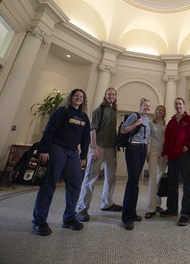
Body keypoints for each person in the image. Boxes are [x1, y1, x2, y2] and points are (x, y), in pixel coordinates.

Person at [31, 88, 90, 236]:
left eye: (81, 96)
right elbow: (49, 130)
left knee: (76, 183)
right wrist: (44, 149)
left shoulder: (84, 117)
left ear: (84, 100)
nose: (78, 98)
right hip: (57, 149)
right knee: (49, 183)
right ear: (71, 98)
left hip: (72, 153)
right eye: (76, 95)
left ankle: (69, 218)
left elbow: (85, 138)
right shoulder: (62, 111)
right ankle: (39, 221)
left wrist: (83, 155)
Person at [76, 88, 122, 223]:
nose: (111, 96)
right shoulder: (99, 110)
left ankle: (107, 203)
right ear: (105, 96)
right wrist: (94, 147)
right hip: (99, 148)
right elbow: (93, 129)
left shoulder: (114, 111)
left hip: (111, 149)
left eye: (113, 94)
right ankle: (81, 209)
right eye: (109, 94)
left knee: (111, 177)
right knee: (91, 177)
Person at [161, 97, 190, 226]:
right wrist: (165, 153)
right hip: (171, 156)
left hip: (184, 155)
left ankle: (185, 214)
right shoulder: (171, 122)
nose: (178, 106)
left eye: (180, 103)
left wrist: (187, 146)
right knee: (172, 183)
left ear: (184, 105)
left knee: (187, 184)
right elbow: (167, 140)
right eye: (176, 104)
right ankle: (171, 208)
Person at [121, 98, 151, 230]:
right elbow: (123, 130)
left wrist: (147, 152)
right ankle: (127, 217)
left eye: (149, 106)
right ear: (140, 106)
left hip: (142, 149)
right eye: (145, 105)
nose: (147, 108)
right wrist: (136, 123)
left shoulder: (148, 120)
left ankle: (132, 214)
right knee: (132, 182)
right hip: (133, 148)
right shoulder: (134, 115)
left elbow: (147, 138)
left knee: (136, 182)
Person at [145, 105, 166, 219]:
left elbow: (167, 139)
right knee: (153, 180)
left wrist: (166, 153)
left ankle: (158, 204)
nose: (160, 111)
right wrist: (146, 153)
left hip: (163, 152)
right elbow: (147, 139)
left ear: (164, 112)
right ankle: (150, 208)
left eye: (162, 110)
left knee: (159, 179)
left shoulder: (165, 124)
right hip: (153, 150)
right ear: (156, 111)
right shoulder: (150, 123)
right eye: (159, 109)